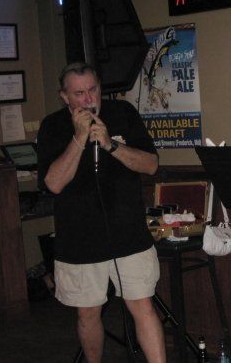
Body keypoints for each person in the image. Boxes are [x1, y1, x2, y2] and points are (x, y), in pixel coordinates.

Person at [37, 63, 166, 363]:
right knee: (88, 314)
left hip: (128, 232)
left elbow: (151, 165)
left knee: (143, 307)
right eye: (78, 94)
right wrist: (79, 138)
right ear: (64, 97)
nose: (87, 99)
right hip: (80, 238)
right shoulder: (52, 126)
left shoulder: (123, 113)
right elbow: (53, 183)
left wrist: (110, 145)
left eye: (92, 90)